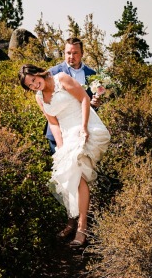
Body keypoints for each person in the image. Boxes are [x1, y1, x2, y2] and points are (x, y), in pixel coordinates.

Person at [19, 64, 110, 246]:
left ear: (38, 74)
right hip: (66, 134)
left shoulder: (61, 78)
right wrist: (60, 147)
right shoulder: (40, 98)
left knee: (77, 176)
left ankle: (82, 228)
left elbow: (84, 99)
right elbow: (53, 123)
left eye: (34, 81)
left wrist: (84, 128)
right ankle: (73, 222)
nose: (35, 86)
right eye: (30, 86)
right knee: (68, 177)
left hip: (85, 125)